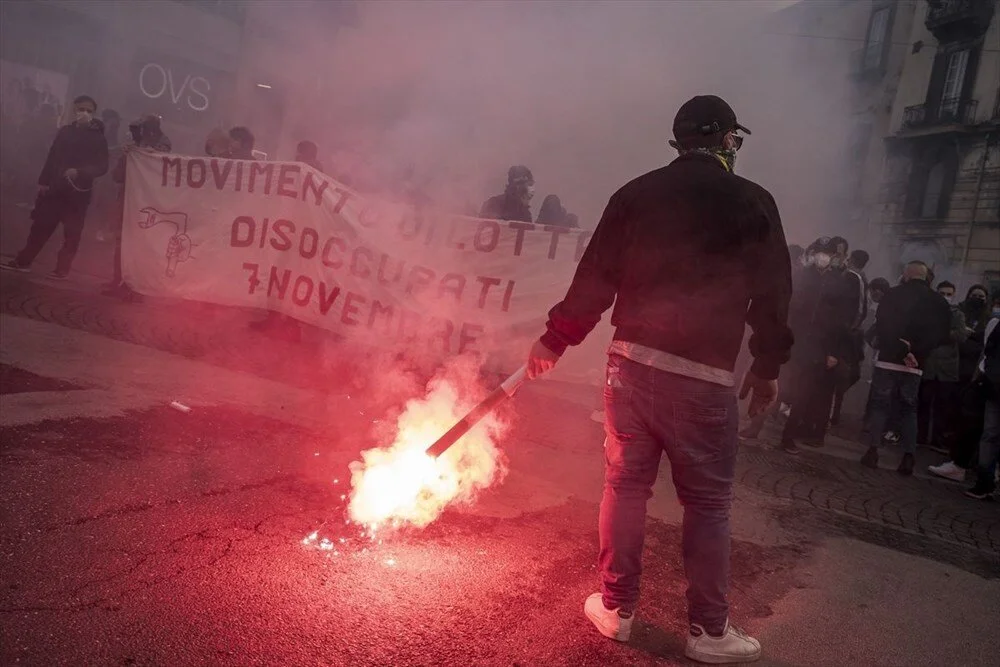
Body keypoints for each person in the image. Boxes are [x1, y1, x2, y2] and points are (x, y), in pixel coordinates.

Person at [525, 95, 791, 664]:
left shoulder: (636, 193)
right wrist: (767, 367)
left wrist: (556, 339)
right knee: (709, 504)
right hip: (704, 376)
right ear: (723, 140)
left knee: (624, 487)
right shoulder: (754, 202)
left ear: (678, 142)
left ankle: (616, 610)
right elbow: (773, 297)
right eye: (733, 141)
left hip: (631, 365)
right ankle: (709, 633)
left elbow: (595, 276)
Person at [3, 95, 109, 279]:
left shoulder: (98, 138)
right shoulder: (65, 131)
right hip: (55, 188)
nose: (84, 113)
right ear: (74, 110)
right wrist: (44, 181)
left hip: (78, 194)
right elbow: (52, 156)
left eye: (89, 111)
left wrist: (80, 172)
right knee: (40, 226)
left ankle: (62, 269)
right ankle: (24, 261)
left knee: (71, 233)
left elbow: (102, 166)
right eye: (81, 109)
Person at [859, 261, 951, 475]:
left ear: (907, 275)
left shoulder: (893, 294)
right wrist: (916, 351)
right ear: (926, 276)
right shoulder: (938, 302)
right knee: (909, 409)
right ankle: (908, 457)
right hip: (915, 364)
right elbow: (942, 334)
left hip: (889, 358)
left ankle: (872, 451)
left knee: (881, 405)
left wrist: (901, 349)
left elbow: (883, 323)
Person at [780, 237, 854, 452]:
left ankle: (788, 436)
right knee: (781, 386)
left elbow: (842, 322)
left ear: (833, 257)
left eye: (827, 253)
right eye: (819, 251)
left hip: (818, 347)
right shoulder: (802, 276)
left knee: (803, 393)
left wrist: (834, 352)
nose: (822, 256)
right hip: (793, 339)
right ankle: (755, 426)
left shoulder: (839, 284)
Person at [102, 114, 172, 301]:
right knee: (121, 243)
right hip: (127, 203)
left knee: (141, 247)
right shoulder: (133, 149)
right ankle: (118, 279)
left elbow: (160, 171)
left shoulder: (161, 150)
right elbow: (117, 176)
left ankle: (136, 284)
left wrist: (143, 154)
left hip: (147, 207)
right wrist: (127, 156)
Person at [917, 281, 967, 454]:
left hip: (947, 368)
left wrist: (940, 334)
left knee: (942, 406)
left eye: (949, 293)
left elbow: (961, 335)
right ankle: (920, 436)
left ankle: (937, 439)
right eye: (942, 293)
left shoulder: (957, 314)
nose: (946, 296)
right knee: (923, 402)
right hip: (929, 364)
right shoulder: (927, 311)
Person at [829, 248, 870, 426]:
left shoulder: (855, 277)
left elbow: (861, 309)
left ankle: (831, 416)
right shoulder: (848, 276)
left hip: (844, 337)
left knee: (839, 376)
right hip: (840, 333)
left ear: (852, 259)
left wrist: (849, 329)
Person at [964, 312, 1000, 500]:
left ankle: (985, 482)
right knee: (989, 435)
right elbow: (990, 350)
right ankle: (984, 481)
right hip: (995, 389)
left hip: (995, 387)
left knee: (990, 435)